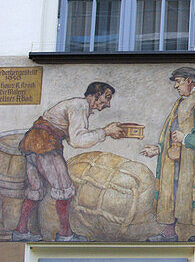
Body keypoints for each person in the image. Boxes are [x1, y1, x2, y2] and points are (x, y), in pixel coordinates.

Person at [12, 81, 124, 243]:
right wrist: (105, 131)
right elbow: (78, 140)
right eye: (106, 97)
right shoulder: (80, 106)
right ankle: (65, 235)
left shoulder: (76, 105)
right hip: (46, 145)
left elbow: (72, 139)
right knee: (64, 190)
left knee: (35, 189)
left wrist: (104, 132)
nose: (108, 103)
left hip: (32, 144)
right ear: (95, 95)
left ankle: (21, 231)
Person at [142, 67, 195, 242]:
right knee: (171, 191)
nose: (176, 86)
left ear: (189, 81)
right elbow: (171, 130)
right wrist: (159, 148)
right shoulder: (182, 102)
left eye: (178, 81)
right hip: (178, 160)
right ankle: (169, 233)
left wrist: (186, 138)